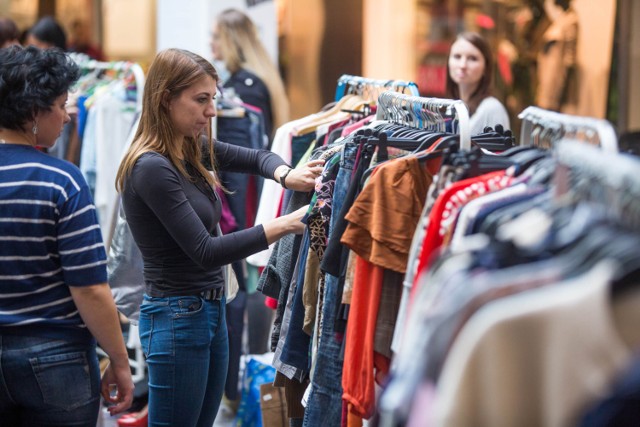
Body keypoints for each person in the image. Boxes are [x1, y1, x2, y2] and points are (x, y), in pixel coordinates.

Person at [115, 48, 323, 426]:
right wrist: (287, 223)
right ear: (165, 98)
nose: (212, 111)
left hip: (209, 312)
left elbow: (259, 158)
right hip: (177, 319)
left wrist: (286, 175)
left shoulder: (189, 149)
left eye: (213, 98)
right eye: (201, 100)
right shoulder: (150, 167)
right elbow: (206, 251)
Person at [0, 45, 133, 425]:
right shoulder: (61, 180)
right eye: (59, 105)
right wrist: (119, 361)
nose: (67, 115)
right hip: (55, 358)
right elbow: (89, 288)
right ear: (32, 114)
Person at [210, 8, 289, 139]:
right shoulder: (252, 79)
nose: (210, 42)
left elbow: (251, 142)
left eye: (216, 37)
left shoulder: (247, 87)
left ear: (233, 41)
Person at [446, 31, 510, 135]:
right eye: (457, 56)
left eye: (472, 59)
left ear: (486, 67)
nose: (462, 65)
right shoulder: (452, 109)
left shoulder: (492, 109)